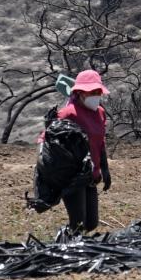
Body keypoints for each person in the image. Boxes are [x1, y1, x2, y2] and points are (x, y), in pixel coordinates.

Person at [47, 69, 111, 232]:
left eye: (98, 91)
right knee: (78, 224)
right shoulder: (68, 113)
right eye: (92, 92)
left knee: (91, 223)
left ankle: (67, 240)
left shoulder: (100, 113)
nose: (96, 95)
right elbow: (53, 142)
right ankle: (65, 249)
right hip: (73, 176)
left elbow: (100, 142)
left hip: (91, 174)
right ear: (80, 93)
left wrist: (104, 169)